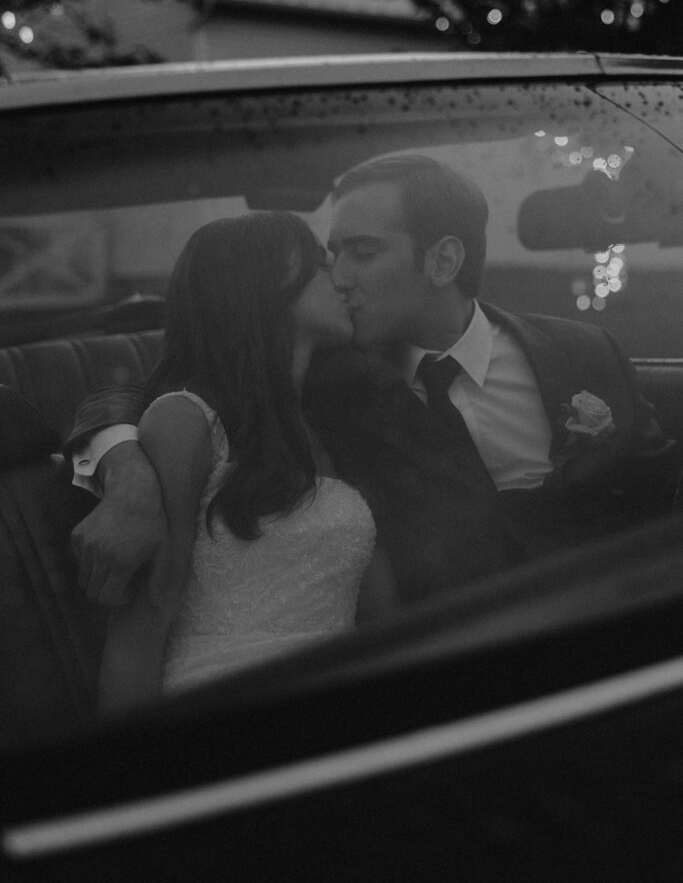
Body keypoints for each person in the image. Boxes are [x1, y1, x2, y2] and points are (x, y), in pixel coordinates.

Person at [68, 155, 679, 614]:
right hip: (434, 659)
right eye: (331, 255)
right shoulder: (313, 376)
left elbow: (657, 488)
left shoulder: (582, 352)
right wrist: (129, 476)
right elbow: (127, 394)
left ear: (442, 262)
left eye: (362, 252)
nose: (338, 276)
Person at [95, 212, 383, 714]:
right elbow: (144, 623)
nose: (338, 274)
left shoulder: (330, 410)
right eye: (319, 261)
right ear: (263, 283)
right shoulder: (187, 421)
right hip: (226, 704)